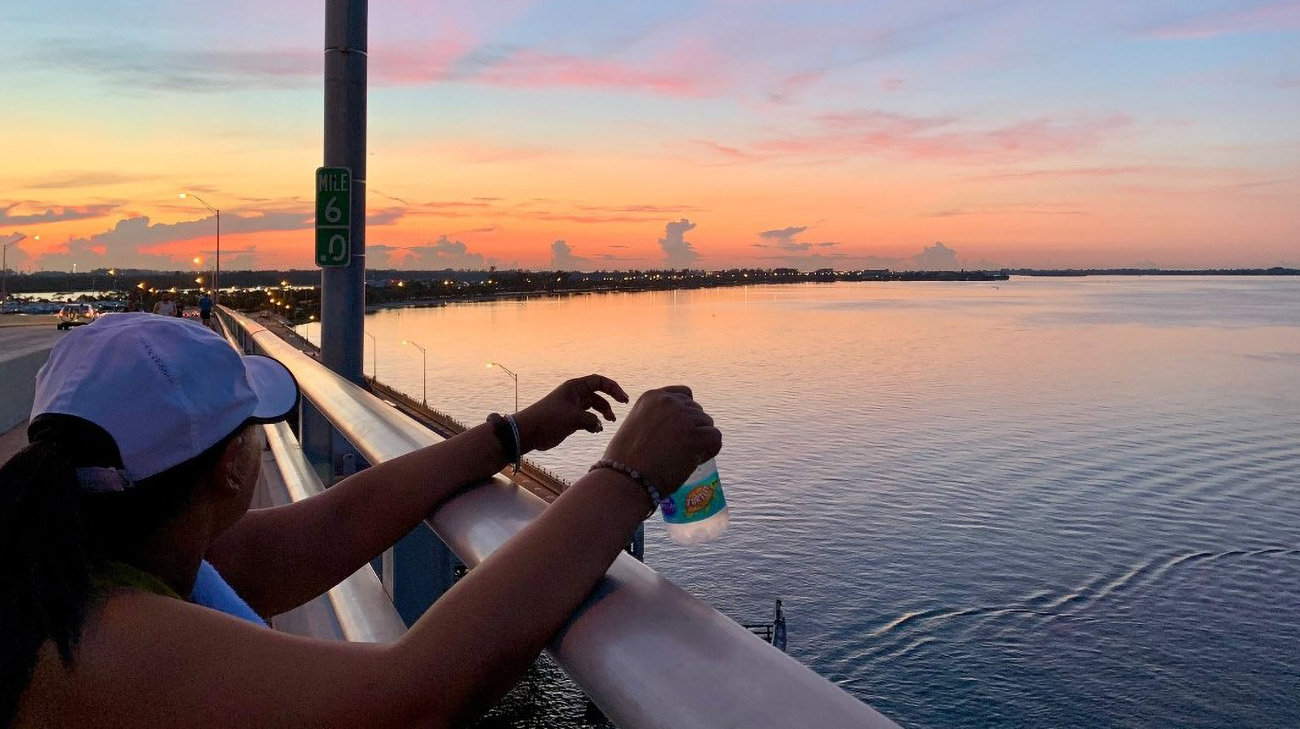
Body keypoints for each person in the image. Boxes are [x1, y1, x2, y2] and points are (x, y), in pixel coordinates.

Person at [1, 313, 721, 727]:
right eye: (255, 426)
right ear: (230, 466)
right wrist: (626, 477)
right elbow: (412, 696)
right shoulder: (102, 639)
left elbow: (336, 526)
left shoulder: (97, 555)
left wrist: (514, 434)